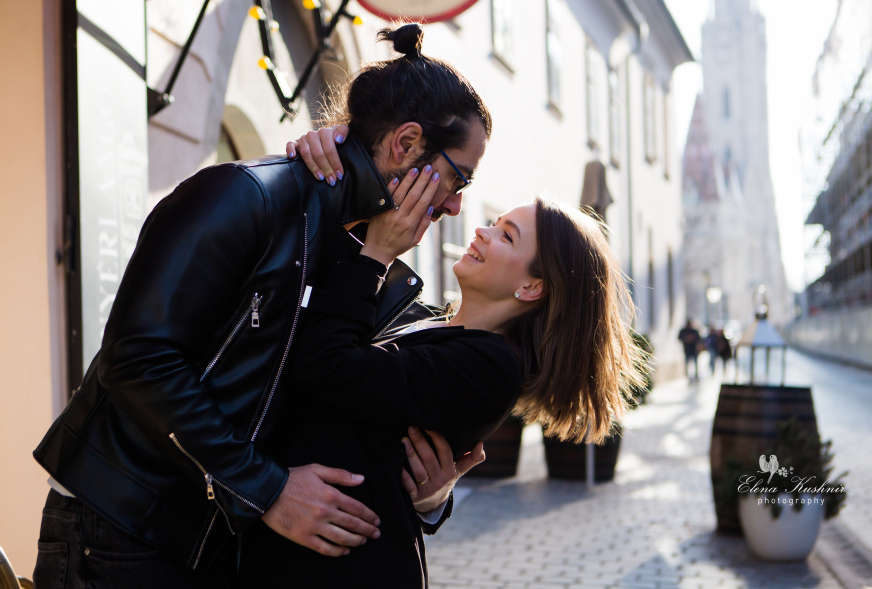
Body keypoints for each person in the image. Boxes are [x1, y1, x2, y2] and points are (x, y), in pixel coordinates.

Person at [32, 24, 493, 589]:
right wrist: (266, 488)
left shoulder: (370, 258)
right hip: (122, 530)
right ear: (406, 143)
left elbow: (339, 406)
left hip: (221, 540)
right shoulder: (244, 195)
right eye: (457, 178)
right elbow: (137, 358)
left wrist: (431, 494)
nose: (455, 205)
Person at [235, 176, 648, 587]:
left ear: (531, 286)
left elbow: (327, 365)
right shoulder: (427, 321)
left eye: (506, 236)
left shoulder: (490, 367)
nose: (482, 231)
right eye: (495, 223)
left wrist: (377, 254)